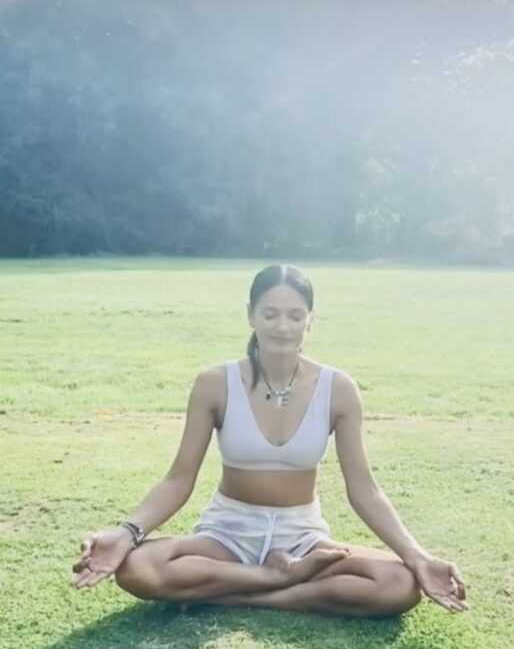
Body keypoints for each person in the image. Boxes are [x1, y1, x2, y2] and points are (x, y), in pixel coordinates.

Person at [72, 264, 468, 617]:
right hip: (227, 534)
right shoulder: (215, 383)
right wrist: (127, 533)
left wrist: (418, 557)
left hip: (302, 538)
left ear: (310, 320)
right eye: (270, 314)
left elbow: (365, 490)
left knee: (399, 585)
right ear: (251, 315)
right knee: (137, 567)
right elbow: (179, 479)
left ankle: (239, 595)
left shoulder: (338, 389)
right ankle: (274, 577)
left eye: (295, 315)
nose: (283, 326)